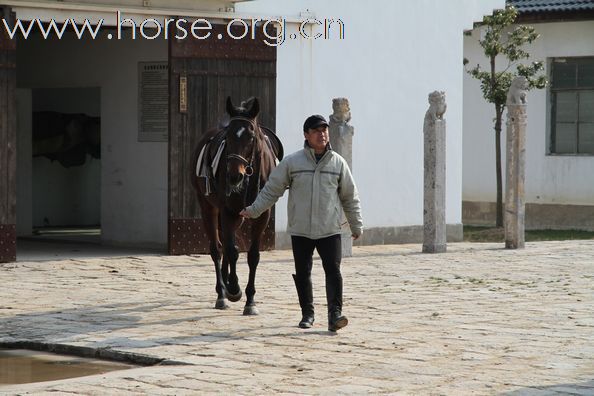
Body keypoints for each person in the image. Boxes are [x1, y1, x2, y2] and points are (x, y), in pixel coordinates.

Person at [240, 114, 363, 332]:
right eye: (316, 130)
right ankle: (307, 313)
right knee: (303, 272)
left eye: (324, 130)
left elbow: (349, 196)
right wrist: (254, 210)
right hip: (301, 230)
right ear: (306, 135)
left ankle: (335, 315)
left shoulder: (338, 163)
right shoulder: (292, 162)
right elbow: (272, 190)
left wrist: (356, 224)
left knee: (333, 270)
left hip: (329, 229)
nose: (322, 134)